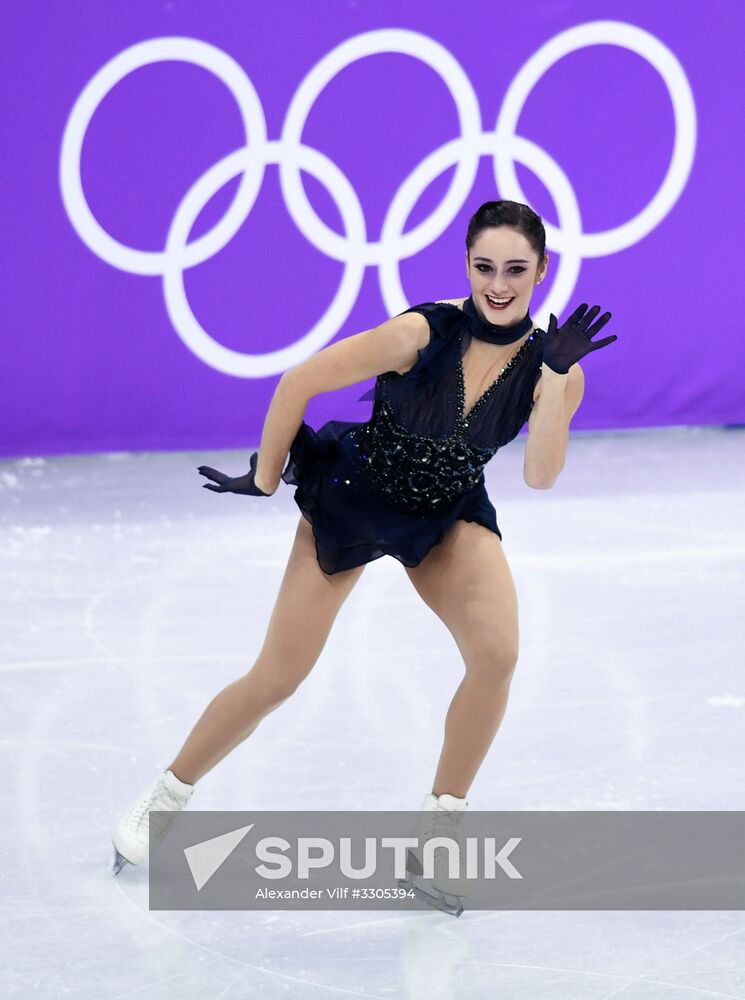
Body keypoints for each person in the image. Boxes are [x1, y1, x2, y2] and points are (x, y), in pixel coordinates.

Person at [111, 200, 616, 913]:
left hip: (443, 514)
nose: (497, 284)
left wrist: (559, 380)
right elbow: (299, 382)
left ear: (541, 270)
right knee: (278, 678)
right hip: (352, 496)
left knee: (497, 655)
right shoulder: (419, 332)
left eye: (515, 269)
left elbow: (539, 475)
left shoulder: (552, 365)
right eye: (483, 267)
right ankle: (160, 801)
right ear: (465, 265)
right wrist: (264, 478)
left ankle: (435, 843)